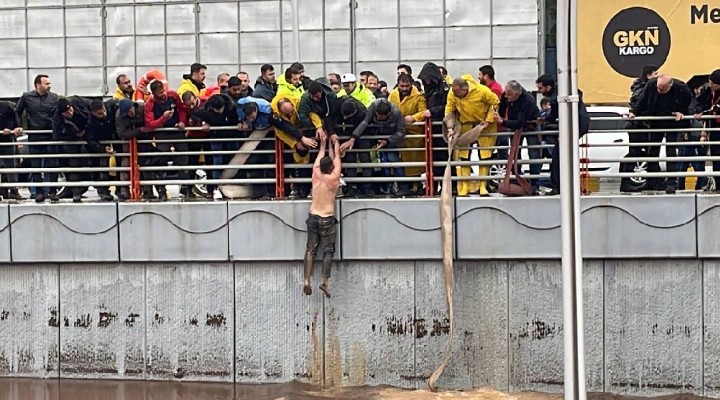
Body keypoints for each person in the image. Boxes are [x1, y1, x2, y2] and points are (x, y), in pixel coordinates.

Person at [303, 135, 341, 298]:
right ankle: (324, 280)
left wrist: (324, 144)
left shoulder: (316, 174)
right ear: (331, 167)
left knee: (310, 249)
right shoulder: (334, 179)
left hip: (313, 215)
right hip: (327, 217)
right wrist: (336, 143)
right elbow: (338, 156)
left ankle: (306, 280)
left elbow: (320, 153)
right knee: (328, 250)